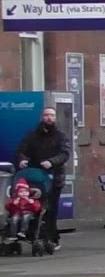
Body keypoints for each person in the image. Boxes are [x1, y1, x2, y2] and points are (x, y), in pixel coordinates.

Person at [16, 107, 70, 250]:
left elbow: (64, 154)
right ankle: (30, 233)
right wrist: (22, 159)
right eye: (46, 115)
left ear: (55, 118)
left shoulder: (60, 136)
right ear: (42, 117)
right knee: (31, 206)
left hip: (54, 177)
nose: (49, 118)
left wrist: (51, 162)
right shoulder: (33, 135)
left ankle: (52, 238)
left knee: (50, 209)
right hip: (35, 177)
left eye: (51, 115)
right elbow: (23, 149)